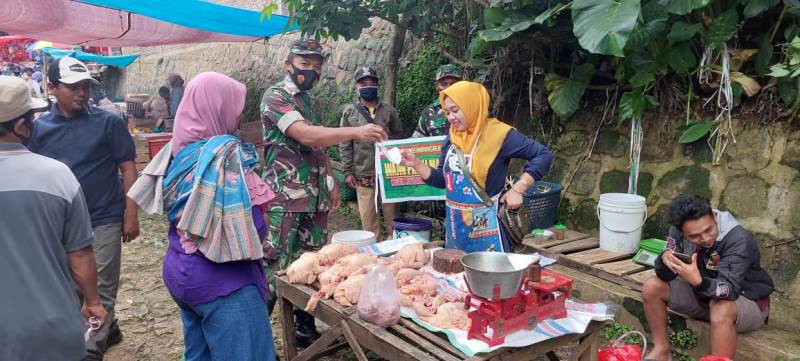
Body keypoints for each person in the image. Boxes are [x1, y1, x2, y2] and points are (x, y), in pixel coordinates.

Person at [128, 72, 277, 361]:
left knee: (200, 354)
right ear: (217, 108)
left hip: (181, 275)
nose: (236, 119)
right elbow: (256, 229)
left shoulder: (176, 150)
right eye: (233, 110)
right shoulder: (226, 159)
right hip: (225, 285)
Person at [260, 38, 388, 346]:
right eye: (305, 65)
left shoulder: (312, 102)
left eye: (317, 66)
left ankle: (305, 329)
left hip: (314, 196)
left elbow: (319, 144)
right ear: (287, 64)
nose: (311, 71)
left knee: (312, 263)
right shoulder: (276, 96)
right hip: (286, 198)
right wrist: (356, 131)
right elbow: (303, 133)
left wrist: (330, 182)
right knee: (276, 265)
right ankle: (255, 340)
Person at [29, 56, 139, 360]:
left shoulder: (108, 123)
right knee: (73, 285)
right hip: (60, 222)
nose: (82, 93)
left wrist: (131, 213)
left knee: (101, 288)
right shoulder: (38, 130)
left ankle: (90, 348)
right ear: (52, 87)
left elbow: (128, 168)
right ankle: (109, 326)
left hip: (103, 216)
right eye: (73, 87)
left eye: (85, 87)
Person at [0, 75, 107, 360]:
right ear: (22, 126)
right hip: (51, 327)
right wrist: (93, 302)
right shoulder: (57, 176)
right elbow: (80, 253)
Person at [400, 81, 552, 253]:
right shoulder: (452, 139)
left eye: (455, 110)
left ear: (471, 105)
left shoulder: (500, 135)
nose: (450, 117)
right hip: (456, 230)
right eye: (447, 112)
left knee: (490, 278)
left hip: (488, 231)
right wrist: (417, 164)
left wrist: (518, 188)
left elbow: (543, 155)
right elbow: (444, 181)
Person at [641, 195, 774, 361]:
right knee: (652, 286)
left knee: (720, 306)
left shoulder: (737, 239)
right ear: (682, 231)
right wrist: (664, 259)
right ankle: (662, 350)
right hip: (703, 296)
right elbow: (665, 275)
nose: (704, 239)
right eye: (694, 236)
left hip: (747, 300)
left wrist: (698, 281)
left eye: (709, 230)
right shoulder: (677, 231)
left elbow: (729, 290)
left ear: (714, 216)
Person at [339, 67, 403, 239]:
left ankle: (394, 249)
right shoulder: (350, 113)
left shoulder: (389, 111)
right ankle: (372, 251)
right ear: (356, 87)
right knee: (368, 219)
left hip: (388, 172)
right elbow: (345, 143)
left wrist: (391, 144)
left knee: (393, 217)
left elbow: (399, 136)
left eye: (372, 83)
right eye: (363, 83)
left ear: (378, 86)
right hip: (363, 172)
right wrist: (347, 171)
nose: (368, 86)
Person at [412, 64, 463, 138]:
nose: (449, 88)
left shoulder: (469, 107)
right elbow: (416, 140)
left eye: (453, 84)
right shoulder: (429, 111)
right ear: (437, 86)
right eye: (444, 84)